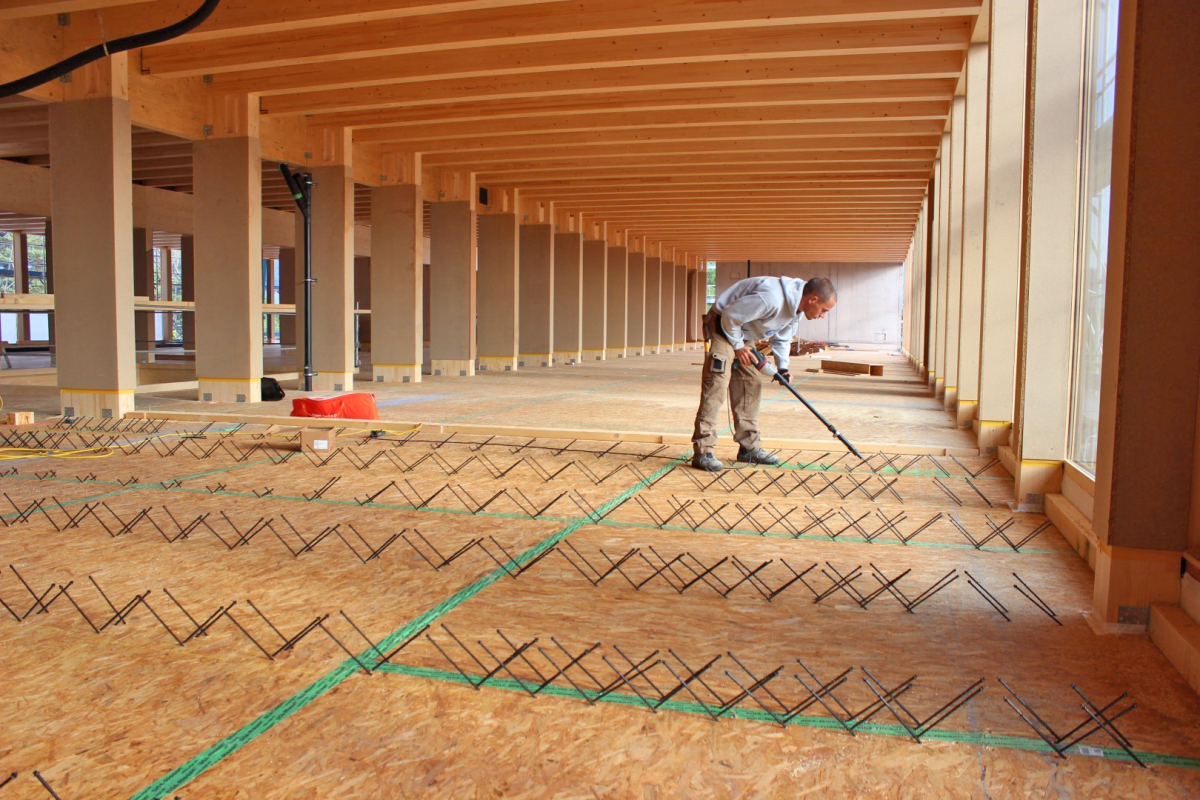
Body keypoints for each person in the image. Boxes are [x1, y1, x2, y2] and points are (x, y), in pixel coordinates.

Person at [691, 275, 837, 471]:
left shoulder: (797, 309)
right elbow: (730, 316)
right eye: (824, 310)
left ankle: (748, 448)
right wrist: (737, 346)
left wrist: (783, 368)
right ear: (813, 299)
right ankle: (703, 451)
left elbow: (782, 339)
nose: (822, 316)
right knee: (717, 383)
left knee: (750, 383)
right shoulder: (771, 299)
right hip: (722, 325)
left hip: (743, 332)